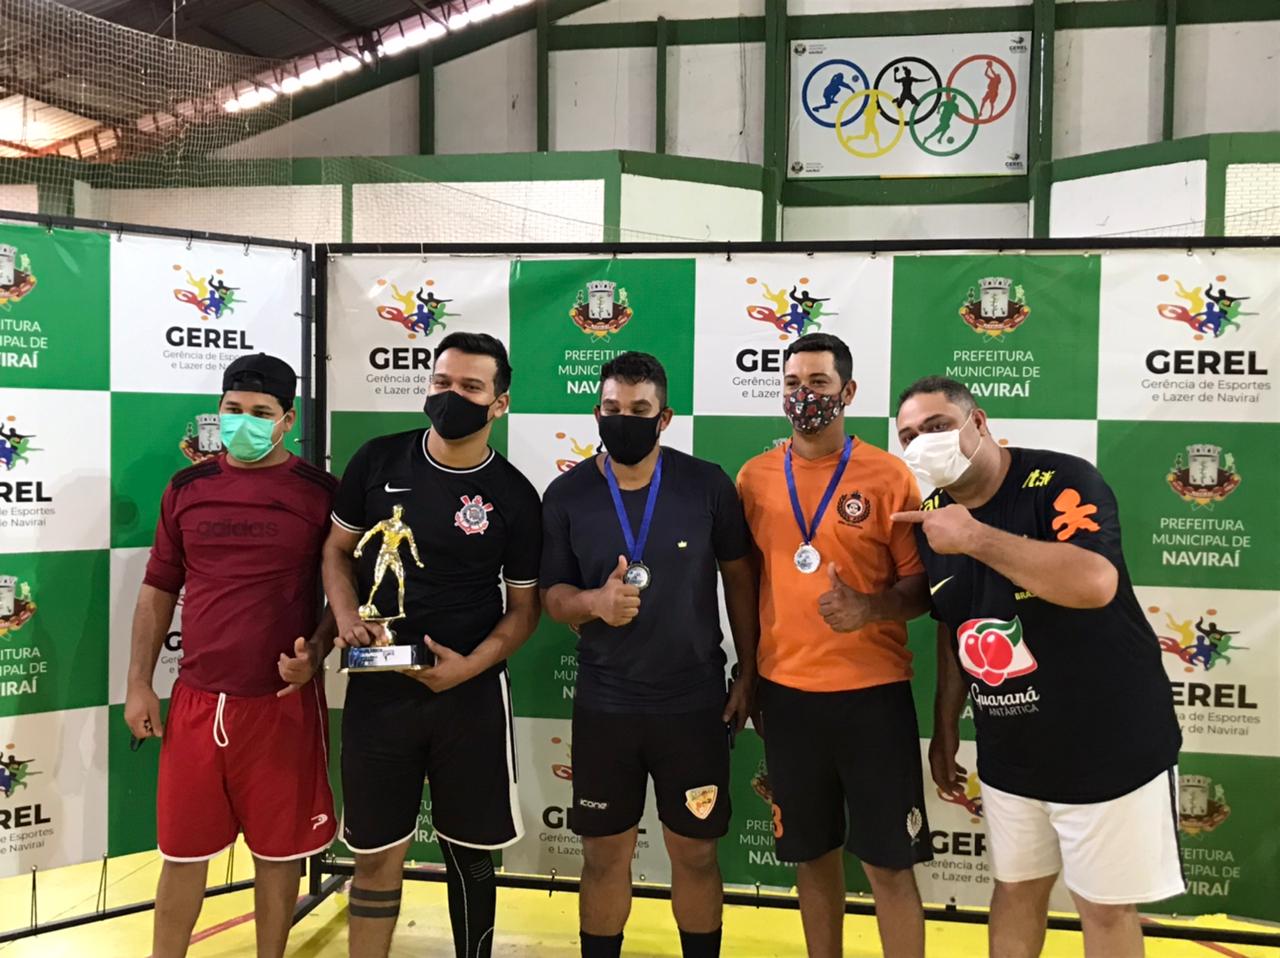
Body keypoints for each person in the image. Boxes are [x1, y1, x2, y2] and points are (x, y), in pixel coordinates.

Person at [892, 377, 1184, 958]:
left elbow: (1094, 583)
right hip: (1011, 752)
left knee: (1104, 909)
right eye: (908, 436)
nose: (922, 443)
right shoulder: (932, 518)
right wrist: (946, 727)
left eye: (937, 426)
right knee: (1015, 891)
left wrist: (975, 537)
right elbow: (955, 624)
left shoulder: (1060, 481)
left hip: (1108, 744)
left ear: (978, 422)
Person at [323, 331, 542, 958]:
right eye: (442, 382)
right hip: (379, 691)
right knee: (375, 855)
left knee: (470, 857)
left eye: (471, 387)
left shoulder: (516, 494)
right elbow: (337, 551)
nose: (451, 396)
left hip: (469, 699)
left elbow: (524, 611)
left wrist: (468, 667)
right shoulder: (377, 460)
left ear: (499, 402)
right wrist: (346, 616)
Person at [540, 352, 759, 958]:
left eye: (640, 410)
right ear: (597, 412)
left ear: (665, 418)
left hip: (693, 705)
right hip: (605, 706)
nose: (624, 420)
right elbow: (553, 598)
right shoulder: (567, 494)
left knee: (696, 854)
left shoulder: (707, 484)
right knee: (604, 856)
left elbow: (741, 581)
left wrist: (749, 671)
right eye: (613, 408)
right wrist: (595, 602)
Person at [124, 353, 338, 958]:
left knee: (279, 857)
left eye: (261, 413)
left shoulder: (321, 493)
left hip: (282, 708)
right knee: (181, 856)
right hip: (197, 704)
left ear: (288, 420)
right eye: (233, 409)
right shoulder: (185, 489)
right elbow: (158, 587)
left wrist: (317, 651)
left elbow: (344, 590)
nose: (244, 421)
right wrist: (139, 683)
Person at [736, 333, 933, 958]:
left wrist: (868, 609)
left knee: (889, 866)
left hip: (873, 698)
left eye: (818, 383)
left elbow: (922, 589)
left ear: (847, 392)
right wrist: (750, 677)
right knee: (812, 858)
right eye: (793, 384)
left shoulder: (889, 475)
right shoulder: (754, 478)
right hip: (788, 698)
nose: (804, 395)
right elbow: (746, 585)